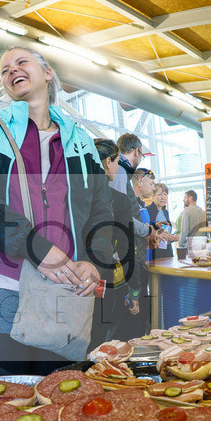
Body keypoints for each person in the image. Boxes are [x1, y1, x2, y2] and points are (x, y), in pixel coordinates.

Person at [0, 46, 113, 377]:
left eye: (21, 62)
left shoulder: (81, 140)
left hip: (61, 292)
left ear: (47, 73)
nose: (11, 70)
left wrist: (94, 261)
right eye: (3, 69)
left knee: (56, 399)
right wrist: (37, 249)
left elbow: (101, 209)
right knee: (0, 403)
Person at [91, 139, 143, 343]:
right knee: (98, 339)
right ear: (108, 163)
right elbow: (127, 249)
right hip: (103, 279)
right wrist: (135, 291)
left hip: (70, 279)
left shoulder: (72, 196)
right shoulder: (118, 200)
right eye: (116, 160)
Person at [148, 181, 179, 259]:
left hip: (167, 251)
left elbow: (166, 232)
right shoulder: (147, 210)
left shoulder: (165, 212)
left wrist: (172, 237)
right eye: (159, 194)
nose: (163, 197)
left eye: (165, 194)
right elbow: (148, 232)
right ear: (152, 196)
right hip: (155, 252)